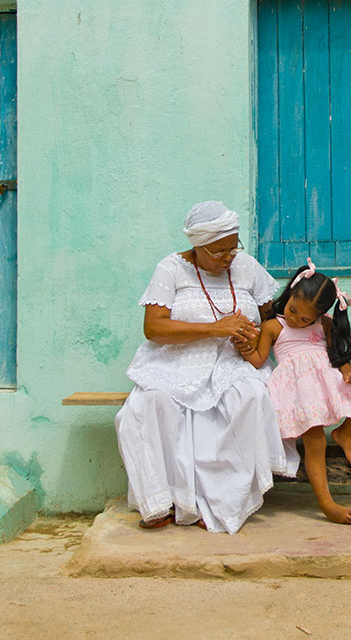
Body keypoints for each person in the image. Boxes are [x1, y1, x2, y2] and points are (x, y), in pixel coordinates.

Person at [114, 201, 298, 533]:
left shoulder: (246, 267)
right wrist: (216, 328)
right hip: (174, 363)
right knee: (146, 406)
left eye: (233, 247)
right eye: (219, 252)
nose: (229, 257)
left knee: (250, 398)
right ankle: (162, 501)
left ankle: (220, 502)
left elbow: (271, 318)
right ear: (197, 246)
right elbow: (154, 328)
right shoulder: (170, 269)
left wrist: (250, 340)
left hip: (231, 362)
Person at [238, 259, 351, 525]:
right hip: (297, 390)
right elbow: (259, 358)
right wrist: (244, 347)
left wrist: (349, 375)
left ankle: (345, 433)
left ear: (318, 316)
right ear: (291, 293)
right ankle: (326, 503)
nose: (296, 319)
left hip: (325, 381)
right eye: (293, 310)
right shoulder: (275, 326)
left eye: (305, 318)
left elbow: (337, 357)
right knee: (315, 439)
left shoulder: (325, 325)